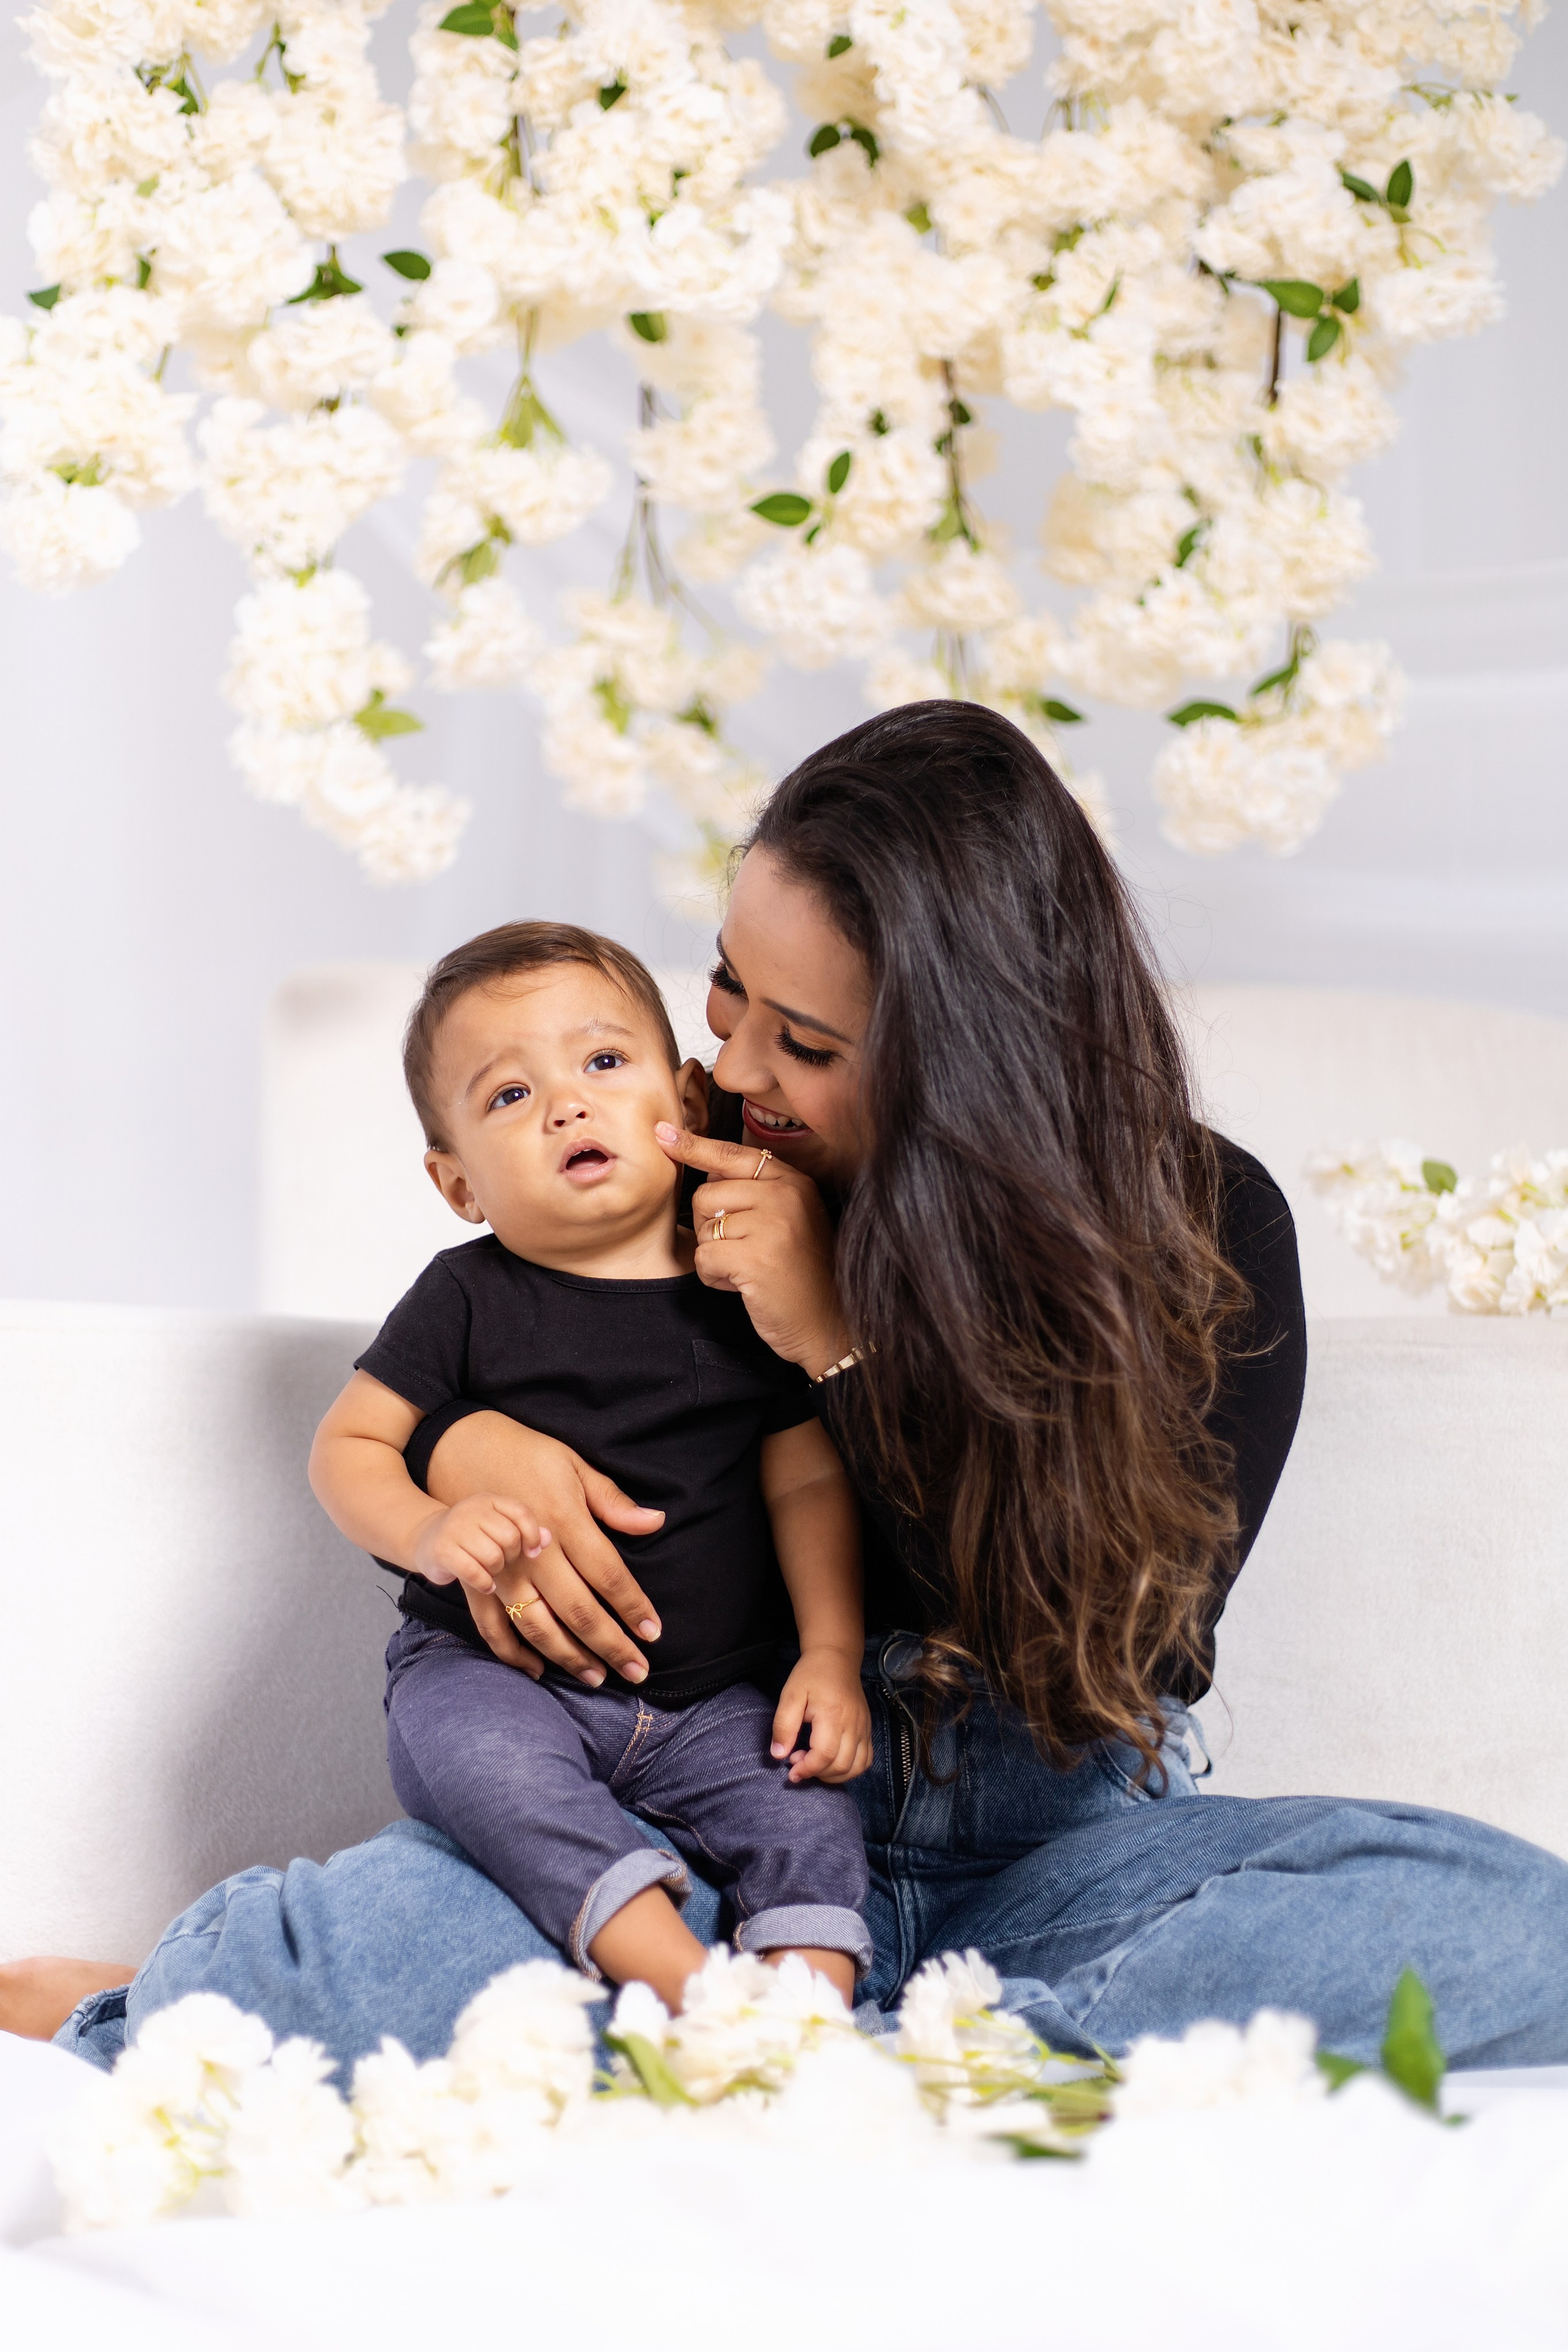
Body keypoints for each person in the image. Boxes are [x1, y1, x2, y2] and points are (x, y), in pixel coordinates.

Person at [17, 701, 1568, 2078]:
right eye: (723, 996)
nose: (733, 1068)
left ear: (969, 1052)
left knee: (1511, 1923)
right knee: (371, 1938)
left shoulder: (1199, 1231)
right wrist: (477, 1444)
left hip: (1042, 1864)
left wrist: (839, 1344)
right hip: (693, 1832)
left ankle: (825, 2057)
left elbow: (1125, 1654)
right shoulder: (692, 1156)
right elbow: (482, 1364)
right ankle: (875, 2053)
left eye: (804, 1042)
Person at [308, 921, 872, 2010]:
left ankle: (813, 2002)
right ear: (457, 1182)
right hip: (497, 1675)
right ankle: (675, 1975)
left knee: (810, 1805)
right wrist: (426, 1531)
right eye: (508, 1096)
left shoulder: (749, 1283)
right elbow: (348, 1447)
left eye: (603, 1062)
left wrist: (833, 1654)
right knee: (489, 1772)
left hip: (719, 1702)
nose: (567, 1102)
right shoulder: (464, 1296)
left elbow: (805, 1481)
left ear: (689, 1102)